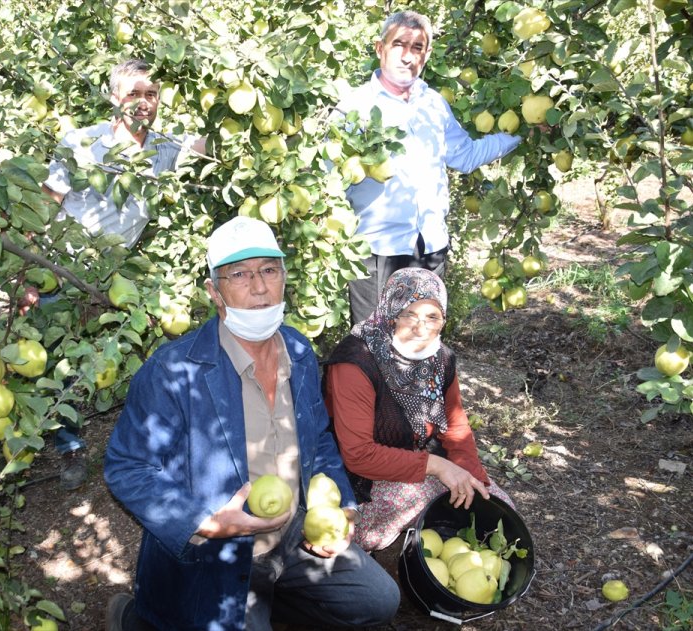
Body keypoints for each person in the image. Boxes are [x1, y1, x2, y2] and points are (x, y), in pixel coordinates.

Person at [103, 216, 400, 630]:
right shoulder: (174, 371)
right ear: (214, 290)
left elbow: (318, 437)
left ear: (283, 277)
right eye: (239, 274)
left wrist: (342, 505)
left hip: (294, 529)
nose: (259, 287)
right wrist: (205, 523)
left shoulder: (298, 349)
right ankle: (140, 620)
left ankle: (267, 603)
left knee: (378, 600)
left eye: (268, 270)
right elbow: (127, 467)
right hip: (221, 547)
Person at [34, 59, 205, 489]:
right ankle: (69, 445)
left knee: (117, 352)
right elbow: (46, 203)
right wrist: (32, 272)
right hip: (65, 267)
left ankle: (146, 438)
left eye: (152, 94)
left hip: (117, 272)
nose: (144, 102)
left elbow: (208, 145)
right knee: (57, 359)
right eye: (134, 93)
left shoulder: (165, 147)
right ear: (115, 97)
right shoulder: (81, 143)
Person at [335, 11, 522, 324]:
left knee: (423, 343)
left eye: (417, 47)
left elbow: (464, 155)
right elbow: (330, 177)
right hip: (377, 249)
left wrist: (522, 131)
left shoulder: (434, 103)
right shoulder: (354, 107)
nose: (408, 56)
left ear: (427, 55)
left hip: (430, 246)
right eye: (399, 45)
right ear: (380, 48)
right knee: (372, 348)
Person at [324, 268, 513, 552]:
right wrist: (437, 466)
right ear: (390, 312)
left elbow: (456, 427)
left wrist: (473, 477)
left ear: (443, 321)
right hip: (361, 479)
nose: (420, 328)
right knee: (414, 512)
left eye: (432, 317)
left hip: (416, 464)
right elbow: (358, 455)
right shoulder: (357, 362)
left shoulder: (440, 358)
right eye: (408, 314)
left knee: (502, 513)